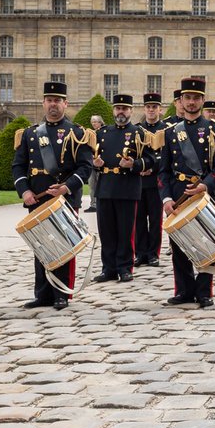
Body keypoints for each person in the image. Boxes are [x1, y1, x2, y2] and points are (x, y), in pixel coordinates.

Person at [13, 81, 95, 310]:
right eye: (49, 100)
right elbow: (18, 166)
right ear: (43, 103)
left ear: (65, 104)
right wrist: (25, 191)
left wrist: (66, 187)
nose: (53, 105)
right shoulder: (30, 134)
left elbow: (85, 167)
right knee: (40, 246)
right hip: (37, 198)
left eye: (57, 101)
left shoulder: (77, 133)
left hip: (64, 199)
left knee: (63, 247)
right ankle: (42, 294)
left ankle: (61, 293)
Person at [159, 77, 215, 308]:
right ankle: (184, 290)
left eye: (196, 98)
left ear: (202, 100)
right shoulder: (170, 133)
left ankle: (204, 290)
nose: (191, 102)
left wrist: (205, 185)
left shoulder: (214, 130)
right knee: (179, 245)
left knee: (208, 243)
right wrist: (167, 198)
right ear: (180, 101)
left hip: (204, 194)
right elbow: (163, 171)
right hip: (179, 193)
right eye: (187, 98)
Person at [91, 94, 155, 284]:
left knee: (126, 232)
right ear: (113, 111)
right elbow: (90, 158)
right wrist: (96, 164)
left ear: (131, 111)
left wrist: (134, 164)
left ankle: (125, 268)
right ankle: (108, 268)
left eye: (125, 108)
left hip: (127, 188)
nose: (121, 112)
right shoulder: (102, 133)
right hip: (105, 188)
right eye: (118, 108)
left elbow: (151, 159)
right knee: (107, 232)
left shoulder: (139, 133)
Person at [135, 92, 167, 267]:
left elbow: (167, 157)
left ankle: (153, 253)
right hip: (139, 182)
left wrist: (151, 168)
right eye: (148, 107)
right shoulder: (138, 130)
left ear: (160, 109)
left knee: (155, 220)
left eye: (154, 107)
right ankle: (140, 253)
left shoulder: (166, 130)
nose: (151, 110)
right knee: (139, 220)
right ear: (144, 109)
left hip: (156, 181)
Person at [86, 114, 104, 212]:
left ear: (100, 122)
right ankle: (93, 204)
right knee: (92, 184)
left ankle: (101, 204)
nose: (93, 124)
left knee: (101, 184)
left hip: (101, 162)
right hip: (91, 162)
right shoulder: (90, 133)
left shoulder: (105, 133)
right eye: (92, 122)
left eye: (95, 122)